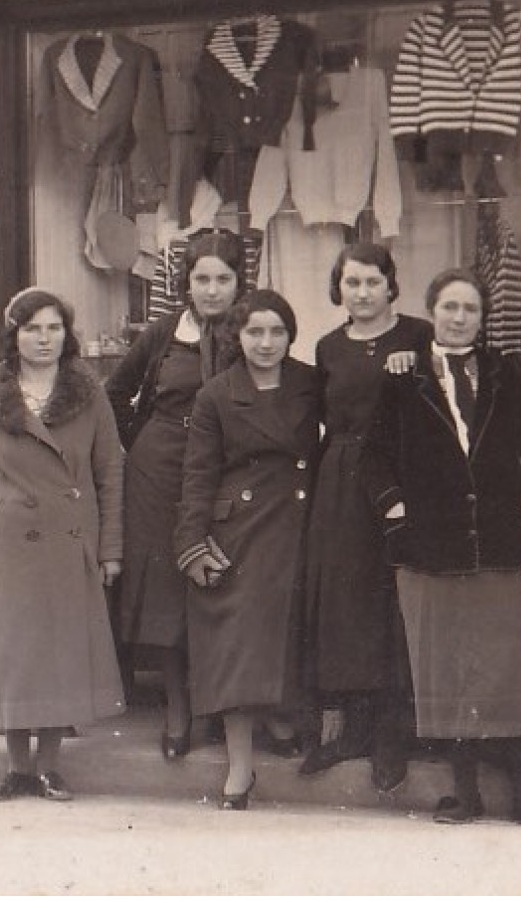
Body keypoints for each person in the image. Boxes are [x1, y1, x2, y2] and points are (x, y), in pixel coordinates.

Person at [362, 269, 521, 827]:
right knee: (447, 670)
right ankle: (465, 793)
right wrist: (397, 512)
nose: (459, 318)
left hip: (499, 544)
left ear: (482, 317)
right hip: (431, 547)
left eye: (469, 309)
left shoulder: (508, 373)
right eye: (449, 306)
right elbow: (373, 455)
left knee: (511, 667)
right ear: (432, 311)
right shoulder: (402, 377)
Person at [0, 288, 125, 801]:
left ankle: (49, 767)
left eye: (53, 328)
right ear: (14, 335)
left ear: (67, 335)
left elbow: (111, 472)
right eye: (31, 329)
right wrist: (6, 504)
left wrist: (110, 550)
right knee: (15, 657)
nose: (43, 339)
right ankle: (16, 768)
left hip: (69, 542)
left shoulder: (89, 393)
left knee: (59, 654)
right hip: (10, 548)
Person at [172, 290, 322, 810]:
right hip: (241, 531)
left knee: (292, 633)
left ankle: (283, 721)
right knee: (236, 644)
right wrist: (192, 543)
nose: (266, 342)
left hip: (302, 524)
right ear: (238, 336)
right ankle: (240, 763)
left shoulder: (309, 382)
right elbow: (198, 475)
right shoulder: (215, 395)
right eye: (255, 332)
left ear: (290, 335)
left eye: (277, 332)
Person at [105, 230, 245, 760]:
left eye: (223, 279)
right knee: (165, 586)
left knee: (216, 577)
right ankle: (178, 709)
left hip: (224, 468)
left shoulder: (250, 332)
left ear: (239, 283)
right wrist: (139, 443)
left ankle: (216, 703)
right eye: (201, 278)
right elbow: (115, 393)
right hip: (159, 472)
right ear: (185, 282)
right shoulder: (163, 333)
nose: (211, 290)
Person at [298, 243, 432, 790]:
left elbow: (436, 400)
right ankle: (354, 729)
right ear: (339, 288)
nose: (362, 292)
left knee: (395, 603)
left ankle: (392, 735)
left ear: (390, 284)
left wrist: (414, 370)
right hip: (342, 483)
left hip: (401, 476)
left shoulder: (418, 336)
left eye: (372, 282)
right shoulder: (328, 346)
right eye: (351, 283)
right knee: (348, 605)